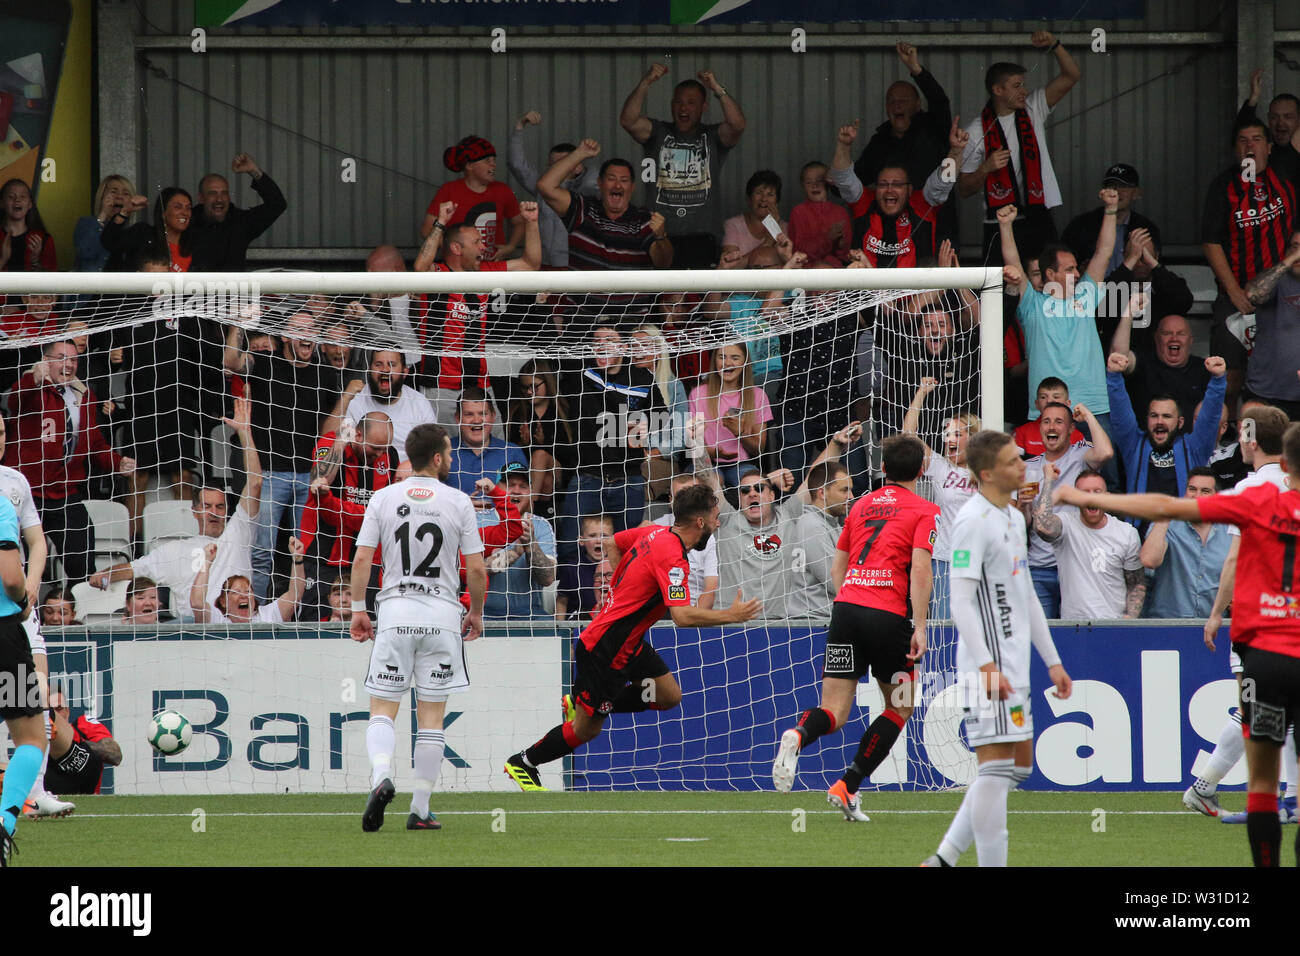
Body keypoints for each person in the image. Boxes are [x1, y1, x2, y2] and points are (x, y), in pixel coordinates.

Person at [1052, 426, 1300, 867]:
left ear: (1285, 464)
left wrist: (1084, 498)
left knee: (1262, 784)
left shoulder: (1255, 500)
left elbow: (1163, 506)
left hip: (1264, 653)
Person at [503, 483, 761, 791]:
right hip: (605, 649)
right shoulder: (673, 557)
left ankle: (578, 699)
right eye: (716, 517)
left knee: (669, 696)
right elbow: (681, 616)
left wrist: (620, 590)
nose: (719, 523)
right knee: (586, 730)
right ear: (700, 522)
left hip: (628, 642)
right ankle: (524, 762)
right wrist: (732, 615)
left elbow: (613, 542)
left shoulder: (653, 532)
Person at [921, 431, 1072, 867]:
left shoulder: (1010, 516)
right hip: (987, 669)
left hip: (1014, 667)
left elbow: (1025, 594)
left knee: (1018, 766)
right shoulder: (972, 521)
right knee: (996, 769)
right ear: (987, 473)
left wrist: (1054, 661)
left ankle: (943, 859)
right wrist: (986, 664)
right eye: (1011, 461)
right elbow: (961, 601)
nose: (1021, 465)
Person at [772, 435, 937, 821]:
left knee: (833, 710)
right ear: (922, 470)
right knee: (900, 705)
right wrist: (921, 625)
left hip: (846, 609)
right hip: (886, 615)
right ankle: (848, 784)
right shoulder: (924, 509)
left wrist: (853, 601)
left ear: (882, 469)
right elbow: (920, 568)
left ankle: (798, 735)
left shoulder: (860, 506)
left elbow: (837, 569)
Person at [350, 424, 486, 832]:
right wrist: (475, 612)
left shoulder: (383, 497)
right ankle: (421, 809)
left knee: (382, 710)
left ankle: (379, 777)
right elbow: (476, 568)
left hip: (395, 614)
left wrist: (359, 609)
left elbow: (361, 560)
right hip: (442, 617)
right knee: (431, 717)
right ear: (440, 458)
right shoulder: (459, 501)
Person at [1187, 404, 1294, 822]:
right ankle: (1284, 801)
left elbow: (1233, 559)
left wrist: (1216, 614)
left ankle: (1207, 788)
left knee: (1263, 711)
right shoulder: (1291, 485)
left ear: (1251, 440)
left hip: (1255, 618)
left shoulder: (1249, 491)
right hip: (1278, 619)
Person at [89, 398, 262, 619]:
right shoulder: (176, 550)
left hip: (236, 622)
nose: (214, 512)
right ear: (195, 511)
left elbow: (255, 483)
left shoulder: (239, 532)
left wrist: (245, 433)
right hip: (191, 630)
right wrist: (105, 574)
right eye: (207, 506)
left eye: (220, 507)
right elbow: (135, 569)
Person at [224, 311, 339, 600]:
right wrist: (240, 323)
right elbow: (231, 361)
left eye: (313, 328)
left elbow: (329, 429)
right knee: (262, 553)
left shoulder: (325, 373)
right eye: (301, 329)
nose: (308, 335)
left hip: (309, 477)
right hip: (271, 474)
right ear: (285, 336)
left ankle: (304, 613)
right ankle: (258, 615)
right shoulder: (265, 364)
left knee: (306, 554)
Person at [3, 340, 135, 584]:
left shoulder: (84, 395)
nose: (69, 365)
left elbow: (94, 443)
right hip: (25, 493)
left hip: (64, 492)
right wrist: (34, 377)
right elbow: (14, 402)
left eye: (74, 359)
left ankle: (77, 609)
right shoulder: (32, 388)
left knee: (81, 556)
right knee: (18, 563)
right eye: (62, 358)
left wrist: (118, 462)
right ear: (46, 360)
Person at [701, 422, 862, 620]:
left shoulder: (788, 516)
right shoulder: (726, 520)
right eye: (745, 491)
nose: (752, 494)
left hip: (778, 627)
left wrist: (837, 443)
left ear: (771, 496)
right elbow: (707, 478)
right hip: (731, 626)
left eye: (760, 489)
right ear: (740, 498)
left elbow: (815, 480)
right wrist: (696, 444)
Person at [412, 203, 540, 427]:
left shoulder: (486, 272)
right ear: (456, 248)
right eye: (477, 242)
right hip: (441, 388)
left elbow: (530, 264)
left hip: (480, 385)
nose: (484, 246)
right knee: (444, 455)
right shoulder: (438, 274)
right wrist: (440, 222)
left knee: (495, 450)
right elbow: (420, 267)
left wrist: (531, 222)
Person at [1201, 117, 1298, 410]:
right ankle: (1230, 438)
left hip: (1282, 293)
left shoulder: (1286, 176)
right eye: (1243, 140)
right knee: (1229, 376)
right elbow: (1210, 241)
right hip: (1237, 293)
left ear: (1269, 147)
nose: (1250, 145)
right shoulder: (1223, 186)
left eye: (1256, 139)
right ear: (1235, 150)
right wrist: (1233, 290)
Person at [958, 32, 1082, 261]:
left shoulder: (1033, 107)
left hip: (1038, 214)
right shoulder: (975, 131)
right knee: (1001, 289)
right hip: (999, 221)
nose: (1024, 91)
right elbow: (963, 189)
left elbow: (1072, 75)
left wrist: (1055, 45)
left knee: (1048, 283)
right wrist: (986, 168)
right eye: (1017, 86)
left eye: (1024, 85)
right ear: (998, 90)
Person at [1000, 193, 1116, 437]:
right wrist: (1005, 226)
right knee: (1046, 474)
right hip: (1047, 411)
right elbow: (1013, 263)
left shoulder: (1086, 296)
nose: (1077, 274)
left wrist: (1111, 210)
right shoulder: (1032, 304)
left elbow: (1104, 252)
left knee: (1106, 475)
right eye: (1070, 269)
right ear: (1050, 274)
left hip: (1093, 406)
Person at [0, 415, 65, 818]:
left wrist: (33, 588)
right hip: (6, 619)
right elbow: (10, 574)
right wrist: (19, 592)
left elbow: (37, 542)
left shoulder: (15, 481)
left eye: (4, 432)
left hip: (20, 613)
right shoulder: (2, 504)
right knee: (28, 724)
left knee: (35, 694)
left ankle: (34, 793)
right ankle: (7, 816)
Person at [619, 65, 746, 268]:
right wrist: (646, 82)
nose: (683, 108)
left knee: (697, 298)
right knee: (663, 298)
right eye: (678, 102)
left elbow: (738, 124)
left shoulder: (712, 136)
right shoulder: (658, 132)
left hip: (702, 237)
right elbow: (628, 120)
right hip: (659, 236)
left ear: (704, 107)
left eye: (691, 103)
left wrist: (716, 88)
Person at [1018, 401, 1115, 617]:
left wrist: (1088, 416)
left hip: (1076, 566)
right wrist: (1023, 505)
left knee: (1075, 636)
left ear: (1071, 428)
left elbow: (1106, 452)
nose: (1051, 427)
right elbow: (1023, 524)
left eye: (1059, 422)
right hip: (1039, 568)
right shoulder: (1028, 468)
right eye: (1046, 421)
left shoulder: (1080, 457)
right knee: (1042, 638)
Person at [829, 117, 966, 267]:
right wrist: (844, 145)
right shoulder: (865, 202)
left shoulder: (921, 204)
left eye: (897, 184)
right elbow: (843, 178)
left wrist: (956, 151)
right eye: (883, 184)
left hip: (916, 289)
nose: (889, 190)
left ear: (909, 189)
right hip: (868, 289)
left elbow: (944, 181)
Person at [853, 40, 956, 238]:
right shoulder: (879, 142)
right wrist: (830, 178)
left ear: (917, 105)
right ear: (886, 108)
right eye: (892, 101)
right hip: (893, 235)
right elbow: (856, 180)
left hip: (936, 228)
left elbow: (939, 101)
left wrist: (916, 69)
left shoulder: (933, 127)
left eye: (904, 101)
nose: (897, 105)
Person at [298, 413, 399, 608]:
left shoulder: (390, 457)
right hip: (323, 554)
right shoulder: (331, 443)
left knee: (366, 620)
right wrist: (340, 442)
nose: (379, 454)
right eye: (375, 448)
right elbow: (319, 479)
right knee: (318, 620)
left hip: (365, 559)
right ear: (357, 435)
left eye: (384, 449)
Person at [903, 378, 981, 619]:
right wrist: (920, 394)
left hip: (983, 562)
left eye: (957, 433)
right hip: (945, 560)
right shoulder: (941, 467)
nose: (949, 439)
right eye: (947, 434)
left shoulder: (991, 471)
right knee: (945, 630)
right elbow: (908, 437)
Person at [1106, 352, 1227, 500]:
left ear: (1180, 422)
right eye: (1154, 415)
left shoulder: (1194, 448)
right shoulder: (1134, 445)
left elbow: (1209, 419)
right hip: (1139, 523)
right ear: (1147, 420)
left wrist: (1218, 380)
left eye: (1167, 416)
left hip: (1182, 522)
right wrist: (1114, 376)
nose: (1159, 421)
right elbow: (1120, 415)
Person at [536, 139, 671, 270]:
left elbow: (663, 264)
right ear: (600, 183)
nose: (617, 185)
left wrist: (660, 237)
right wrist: (579, 154)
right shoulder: (583, 210)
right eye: (611, 179)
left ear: (632, 187)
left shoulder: (644, 220)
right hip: (585, 293)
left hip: (629, 294)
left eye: (624, 180)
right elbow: (545, 186)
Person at [1032, 469, 1144, 619]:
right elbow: (1041, 526)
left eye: (1097, 491)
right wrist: (1048, 482)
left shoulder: (1127, 533)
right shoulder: (1066, 525)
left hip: (1113, 625)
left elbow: (1136, 583)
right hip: (1074, 627)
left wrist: (1131, 618)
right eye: (1084, 493)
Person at [0, 493, 45, 866]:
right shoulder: (0, 504)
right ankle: (4, 823)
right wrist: (23, 600)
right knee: (31, 738)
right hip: (2, 637)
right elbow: (13, 578)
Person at [507, 110, 599, 267]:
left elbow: (597, 178)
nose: (556, 168)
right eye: (552, 164)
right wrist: (519, 125)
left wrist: (584, 152)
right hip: (543, 264)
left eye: (563, 162)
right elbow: (517, 165)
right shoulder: (541, 187)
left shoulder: (587, 189)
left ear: (578, 167)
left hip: (575, 267)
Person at [1142, 468, 1232, 619]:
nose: (1196, 496)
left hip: (1214, 627)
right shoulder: (1167, 525)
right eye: (1192, 489)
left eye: (1205, 491)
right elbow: (1149, 560)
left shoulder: (1230, 531)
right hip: (1168, 625)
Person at [420, 135, 523, 260]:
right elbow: (427, 229)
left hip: (493, 265)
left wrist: (510, 247)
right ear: (469, 165)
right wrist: (456, 252)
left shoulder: (503, 190)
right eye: (487, 161)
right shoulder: (449, 190)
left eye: (494, 160)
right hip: (459, 269)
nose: (494, 165)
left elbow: (519, 223)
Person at [687, 342, 773, 490]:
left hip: (743, 464)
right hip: (706, 463)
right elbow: (692, 448)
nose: (727, 363)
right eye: (722, 357)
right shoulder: (698, 394)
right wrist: (714, 453)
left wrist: (738, 432)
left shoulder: (758, 395)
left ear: (745, 362)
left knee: (755, 486)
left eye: (735, 358)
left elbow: (759, 449)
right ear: (715, 361)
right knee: (714, 482)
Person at [323, 350, 435, 462]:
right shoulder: (356, 399)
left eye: (392, 364)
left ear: (404, 372)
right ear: (370, 370)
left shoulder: (419, 403)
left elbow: (431, 451)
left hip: (409, 474)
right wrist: (346, 398)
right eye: (378, 364)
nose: (385, 370)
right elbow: (327, 441)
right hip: (366, 471)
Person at [1110, 308, 1211, 431]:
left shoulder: (1204, 369)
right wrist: (1129, 313)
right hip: (1145, 445)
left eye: (1181, 333)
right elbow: (1118, 358)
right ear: (1156, 338)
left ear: (1191, 340)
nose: (1174, 338)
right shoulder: (1143, 363)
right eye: (1166, 333)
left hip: (1190, 446)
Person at [1061, 164, 1162, 279]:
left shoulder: (1146, 228)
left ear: (1136, 193)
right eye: (1112, 186)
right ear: (1103, 192)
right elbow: (1062, 265)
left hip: (1132, 292)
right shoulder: (1081, 225)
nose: (1117, 191)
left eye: (1123, 186)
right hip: (1092, 293)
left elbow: (1155, 272)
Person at [483, 463, 557, 621]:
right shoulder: (478, 520)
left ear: (530, 492)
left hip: (530, 614)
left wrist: (530, 543)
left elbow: (548, 579)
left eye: (523, 486)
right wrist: (515, 552)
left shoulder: (541, 525)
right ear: (497, 488)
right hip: (483, 613)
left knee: (554, 631)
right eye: (510, 485)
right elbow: (472, 572)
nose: (516, 490)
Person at [782, 461, 855, 621]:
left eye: (850, 490)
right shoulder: (812, 525)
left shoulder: (830, 525)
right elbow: (835, 580)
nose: (851, 497)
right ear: (822, 493)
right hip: (813, 621)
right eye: (844, 490)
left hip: (820, 619)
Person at [189, 152, 287, 271]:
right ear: (201, 198)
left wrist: (253, 170)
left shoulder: (240, 223)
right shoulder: (186, 222)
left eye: (224, 193)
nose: (219, 199)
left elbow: (277, 204)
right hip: (194, 289)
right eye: (212, 193)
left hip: (233, 289)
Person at [1242, 229, 1300, 418]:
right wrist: (1290, 260)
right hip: (1266, 394)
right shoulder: (1276, 280)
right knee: (1252, 444)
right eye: (1295, 247)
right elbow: (1253, 295)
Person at [190, 538, 305, 624]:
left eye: (248, 591)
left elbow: (294, 595)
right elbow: (197, 603)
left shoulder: (267, 615)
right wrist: (206, 561)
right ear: (223, 601)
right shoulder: (217, 620)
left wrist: (298, 560)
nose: (244, 596)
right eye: (236, 592)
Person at [650, 472, 718, 610]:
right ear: (671, 500)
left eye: (693, 496)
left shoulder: (707, 535)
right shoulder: (653, 527)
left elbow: (710, 590)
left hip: (694, 610)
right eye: (681, 497)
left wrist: (690, 624)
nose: (688, 502)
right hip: (659, 611)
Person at [448, 387, 528, 496]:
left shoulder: (511, 452)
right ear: (457, 418)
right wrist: (464, 506)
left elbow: (525, 500)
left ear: (493, 416)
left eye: (483, 414)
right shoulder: (443, 451)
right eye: (469, 414)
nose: (476, 420)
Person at [41, 688, 120, 796]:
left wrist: (72, 744)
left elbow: (115, 755)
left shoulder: (83, 725)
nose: (55, 715)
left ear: (67, 711)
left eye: (59, 709)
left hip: (89, 799)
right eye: (51, 711)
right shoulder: (36, 742)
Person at [100, 187, 195, 272]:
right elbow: (109, 242)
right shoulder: (143, 234)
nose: (185, 213)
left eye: (188, 208)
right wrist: (124, 211)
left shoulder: (195, 245)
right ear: (163, 212)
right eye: (177, 207)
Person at [787, 162, 851, 267]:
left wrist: (840, 243)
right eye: (808, 182)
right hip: (806, 270)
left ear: (829, 183)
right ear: (803, 186)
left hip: (835, 270)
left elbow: (844, 255)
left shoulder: (840, 212)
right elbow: (799, 252)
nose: (814, 185)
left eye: (820, 181)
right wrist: (827, 238)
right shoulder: (798, 212)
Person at [721, 170, 789, 265]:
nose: (764, 199)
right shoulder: (732, 225)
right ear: (748, 198)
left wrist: (774, 228)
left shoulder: (785, 228)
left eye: (770, 195)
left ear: (777, 202)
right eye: (758, 193)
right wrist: (768, 241)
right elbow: (731, 267)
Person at [556, 514, 615, 621]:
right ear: (581, 541)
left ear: (613, 540)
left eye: (604, 536)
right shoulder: (572, 568)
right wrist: (560, 628)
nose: (599, 540)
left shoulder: (618, 566)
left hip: (610, 622)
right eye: (592, 535)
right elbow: (561, 600)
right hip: (579, 624)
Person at [73, 175, 135, 272]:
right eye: (113, 192)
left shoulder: (133, 232)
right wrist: (103, 214)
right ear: (102, 197)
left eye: (126, 193)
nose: (119, 197)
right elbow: (85, 252)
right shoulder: (86, 223)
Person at [1012, 377, 1085, 456]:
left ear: (1068, 404)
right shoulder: (1022, 432)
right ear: (1037, 404)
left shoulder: (1077, 436)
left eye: (1056, 397)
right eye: (1043, 397)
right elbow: (1012, 465)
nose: (1049, 401)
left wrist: (1088, 416)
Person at [0, 179, 57, 272]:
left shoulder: (44, 239)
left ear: (30, 204)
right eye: (11, 197)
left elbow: (52, 282)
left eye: (22, 196)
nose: (17, 200)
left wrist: (35, 261)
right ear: (2, 203)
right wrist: (3, 259)